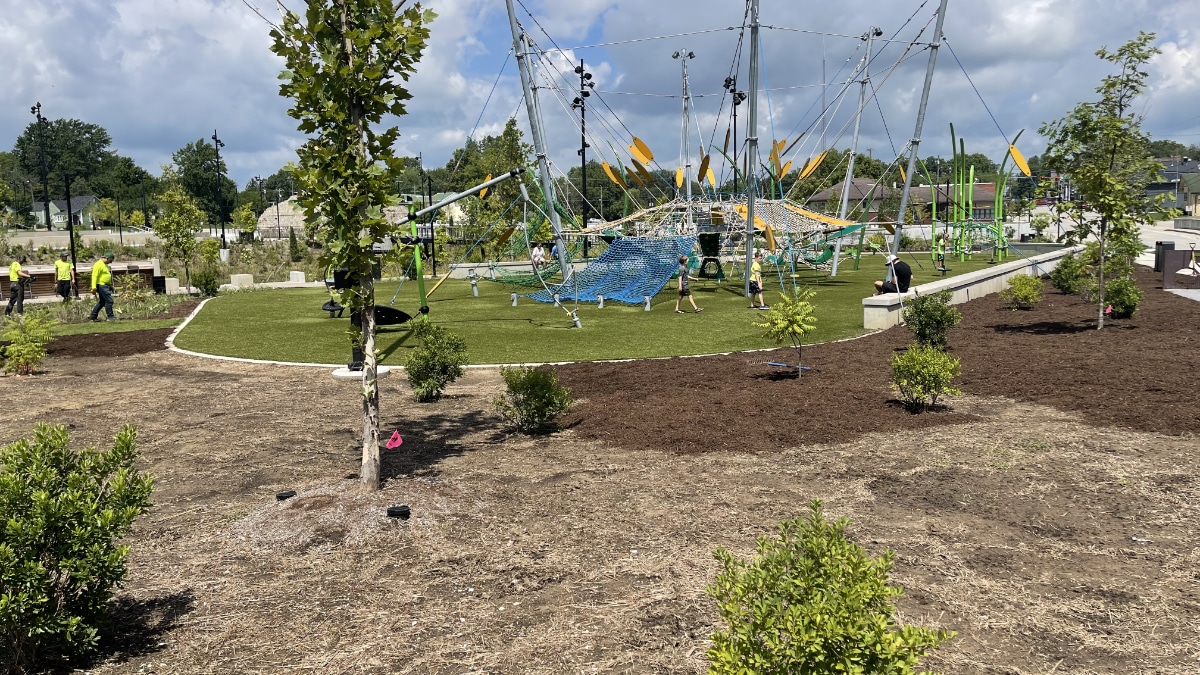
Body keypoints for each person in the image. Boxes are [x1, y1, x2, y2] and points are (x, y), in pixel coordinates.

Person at [89, 252, 118, 322]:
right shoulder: (98, 264)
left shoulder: (105, 265)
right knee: (109, 300)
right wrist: (93, 287)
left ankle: (93, 316)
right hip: (101, 285)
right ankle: (110, 317)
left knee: (102, 302)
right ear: (107, 258)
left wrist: (110, 285)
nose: (111, 262)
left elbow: (106, 276)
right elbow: (94, 276)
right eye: (111, 260)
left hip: (105, 285)